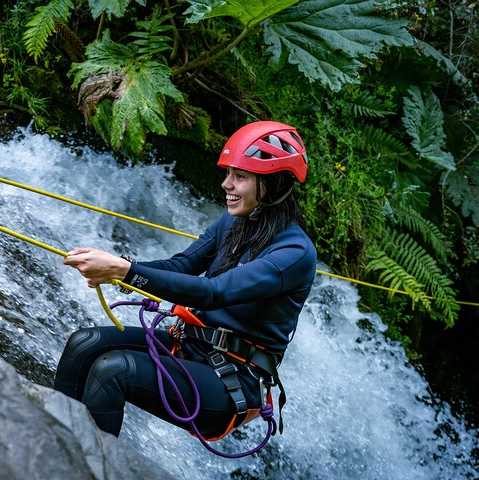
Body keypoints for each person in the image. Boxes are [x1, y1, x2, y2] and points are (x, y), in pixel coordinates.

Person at [54, 121, 317, 440]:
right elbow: (182, 265)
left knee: (114, 371)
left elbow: (214, 292)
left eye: (240, 177)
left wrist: (123, 272)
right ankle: (56, 447)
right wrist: (123, 266)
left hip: (232, 380)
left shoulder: (294, 253)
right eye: (229, 173)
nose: (226, 184)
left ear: (273, 185)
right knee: (84, 343)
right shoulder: (235, 222)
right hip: (191, 347)